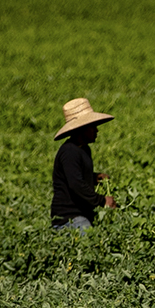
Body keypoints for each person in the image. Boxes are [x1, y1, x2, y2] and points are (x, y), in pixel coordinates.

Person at [52, 97, 115, 230]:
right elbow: (76, 184)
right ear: (81, 129)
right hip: (70, 218)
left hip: (81, 216)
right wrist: (103, 200)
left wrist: (94, 177)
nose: (96, 131)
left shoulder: (83, 149)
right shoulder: (69, 151)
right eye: (92, 127)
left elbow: (75, 174)